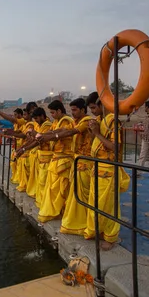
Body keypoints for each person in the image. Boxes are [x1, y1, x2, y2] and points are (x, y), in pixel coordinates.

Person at [85, 92, 131, 250]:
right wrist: (93, 134)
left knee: (109, 205)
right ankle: (97, 230)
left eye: (93, 107)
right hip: (96, 168)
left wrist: (97, 133)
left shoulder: (113, 121)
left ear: (102, 104)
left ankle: (110, 237)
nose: (92, 111)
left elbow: (115, 147)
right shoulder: (98, 120)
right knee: (95, 204)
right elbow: (95, 143)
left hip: (108, 170)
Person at [36, 100, 76, 223]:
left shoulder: (67, 121)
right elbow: (51, 133)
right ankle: (56, 210)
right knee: (53, 188)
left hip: (64, 159)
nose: (52, 115)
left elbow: (59, 134)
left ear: (59, 110)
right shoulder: (56, 122)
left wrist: (43, 137)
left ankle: (61, 211)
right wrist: (39, 136)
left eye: (53, 112)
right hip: (56, 158)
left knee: (62, 189)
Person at [59, 98, 93, 236]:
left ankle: (85, 223)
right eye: (71, 110)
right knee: (76, 194)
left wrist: (50, 136)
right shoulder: (75, 122)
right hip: (77, 161)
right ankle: (76, 221)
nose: (72, 113)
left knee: (83, 195)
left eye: (74, 110)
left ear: (83, 110)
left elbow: (70, 132)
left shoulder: (87, 121)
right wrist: (43, 135)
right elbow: (62, 129)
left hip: (86, 163)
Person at [15, 107, 52, 203]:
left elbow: (39, 139)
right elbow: (32, 139)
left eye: (36, 118)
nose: (35, 120)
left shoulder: (47, 125)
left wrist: (24, 148)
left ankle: (45, 201)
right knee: (40, 179)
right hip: (40, 156)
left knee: (43, 180)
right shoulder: (38, 125)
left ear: (43, 116)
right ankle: (41, 199)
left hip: (47, 156)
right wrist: (22, 148)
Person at [0, 108, 25, 184]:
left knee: (18, 164)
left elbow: (11, 120)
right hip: (16, 146)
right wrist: (10, 133)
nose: (14, 117)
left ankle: (20, 180)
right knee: (13, 163)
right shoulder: (16, 124)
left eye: (16, 115)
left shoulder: (22, 121)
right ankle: (17, 178)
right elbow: (15, 131)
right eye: (14, 115)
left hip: (22, 146)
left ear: (20, 115)